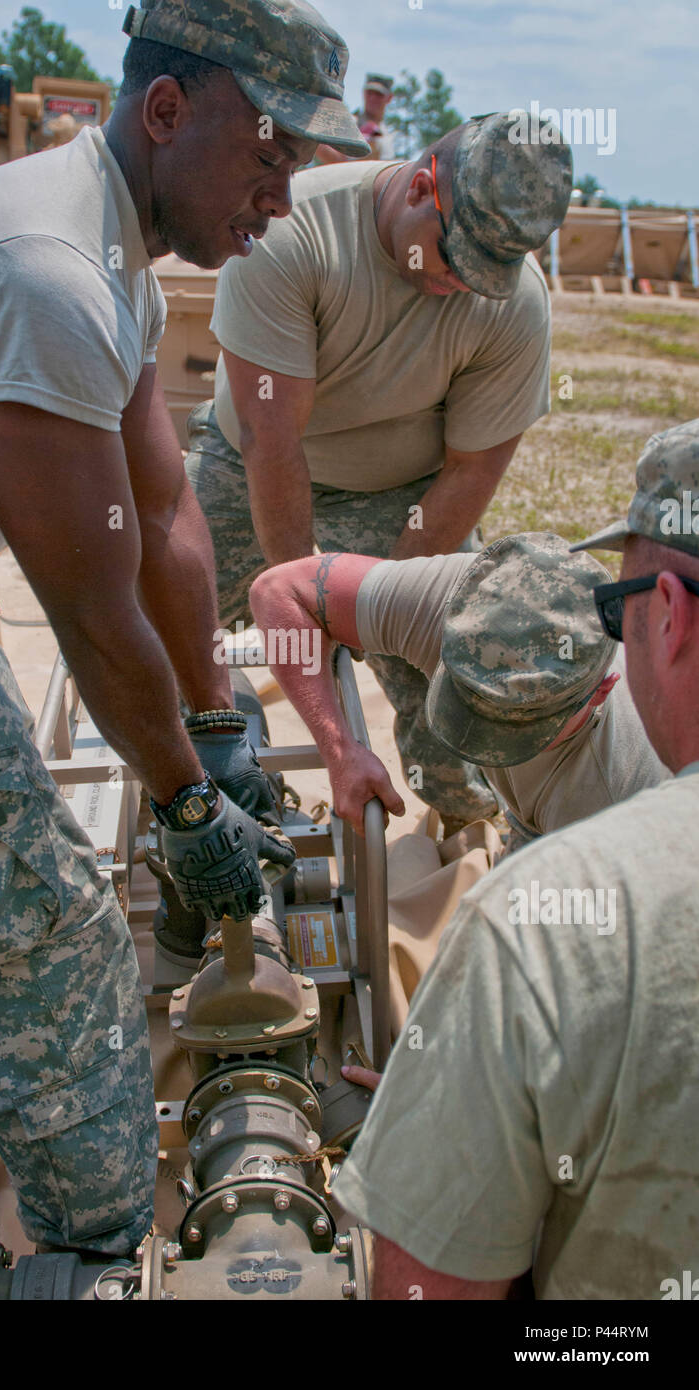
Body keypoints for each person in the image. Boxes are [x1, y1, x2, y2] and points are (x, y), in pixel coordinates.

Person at [0, 0, 367, 1258]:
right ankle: (90, 1243)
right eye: (267, 156)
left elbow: (166, 515)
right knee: (55, 923)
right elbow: (86, 605)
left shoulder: (112, 250)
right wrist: (184, 809)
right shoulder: (47, 270)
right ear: (169, 111)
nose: (279, 201)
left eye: (298, 167)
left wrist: (217, 731)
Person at [332, 419, 699, 1300]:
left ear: (670, 618)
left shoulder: (548, 924)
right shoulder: (478, 594)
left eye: (623, 610)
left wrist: (455, 1118)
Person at [185, 110, 573, 836]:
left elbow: (469, 473)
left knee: (459, 664)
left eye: (486, 276)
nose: (462, 285)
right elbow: (274, 443)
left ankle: (468, 828)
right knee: (165, 615)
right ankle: (206, 797)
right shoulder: (291, 235)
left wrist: (380, 612)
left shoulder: (513, 303)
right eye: (451, 260)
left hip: (403, 496)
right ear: (423, 186)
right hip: (249, 467)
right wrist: (310, 615)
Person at [249, 532, 667, 840]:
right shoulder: (469, 598)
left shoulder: (610, 798)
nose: (480, 738)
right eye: (468, 696)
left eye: (515, 728)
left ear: (601, 691)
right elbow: (280, 591)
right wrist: (339, 751)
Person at [315, 72, 395, 163]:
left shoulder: (388, 135)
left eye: (378, 94)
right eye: (369, 93)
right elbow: (325, 149)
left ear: (389, 98)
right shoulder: (348, 122)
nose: (373, 98)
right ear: (364, 93)